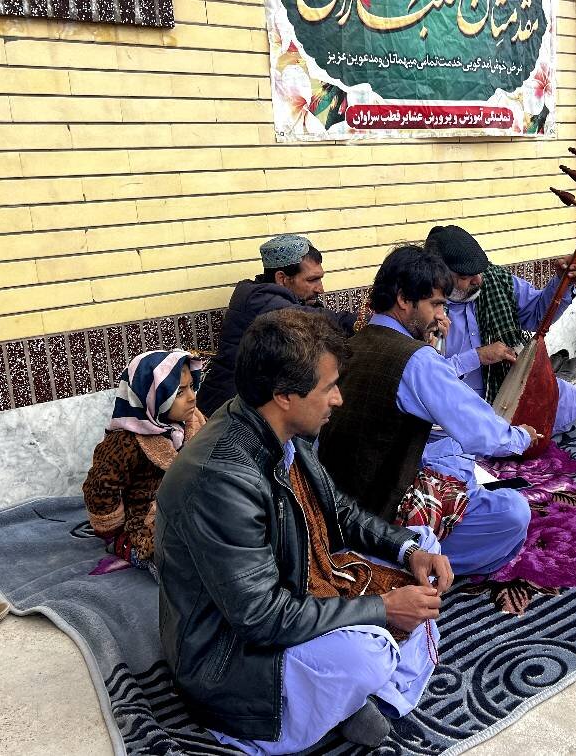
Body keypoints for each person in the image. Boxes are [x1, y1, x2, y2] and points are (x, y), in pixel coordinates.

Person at [155, 309, 452, 753]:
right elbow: (261, 617)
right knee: (366, 652)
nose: (339, 400)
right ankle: (328, 706)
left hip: (296, 583)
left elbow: (341, 512)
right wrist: (382, 609)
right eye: (329, 388)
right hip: (229, 659)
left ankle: (344, 700)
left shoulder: (284, 431)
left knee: (424, 545)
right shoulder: (221, 479)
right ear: (285, 396)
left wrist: (407, 550)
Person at [318, 244, 535, 576]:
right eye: (436, 304)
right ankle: (405, 563)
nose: (440, 315)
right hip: (380, 515)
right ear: (404, 300)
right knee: (512, 512)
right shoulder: (417, 360)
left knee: (446, 461)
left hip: (336, 507)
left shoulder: (351, 345)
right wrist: (522, 437)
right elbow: (481, 433)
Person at [424, 224, 576, 435]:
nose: (478, 280)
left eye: (479, 271)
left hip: (504, 387)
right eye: (466, 277)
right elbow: (427, 376)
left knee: (566, 397)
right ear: (441, 277)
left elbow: (537, 315)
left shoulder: (495, 280)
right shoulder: (425, 308)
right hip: (457, 400)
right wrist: (477, 356)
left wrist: (563, 282)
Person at [196, 234, 356, 417]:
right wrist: (366, 322)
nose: (320, 288)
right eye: (312, 280)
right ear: (282, 278)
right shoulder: (260, 301)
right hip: (227, 411)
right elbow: (318, 322)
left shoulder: (265, 295)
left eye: (320, 279)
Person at [82, 349, 205, 571]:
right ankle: (126, 547)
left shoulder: (193, 422)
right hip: (146, 522)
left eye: (192, 387)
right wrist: (112, 531)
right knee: (178, 564)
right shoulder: (126, 441)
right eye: (179, 392)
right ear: (152, 398)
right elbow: (100, 487)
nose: (192, 397)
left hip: (189, 507)